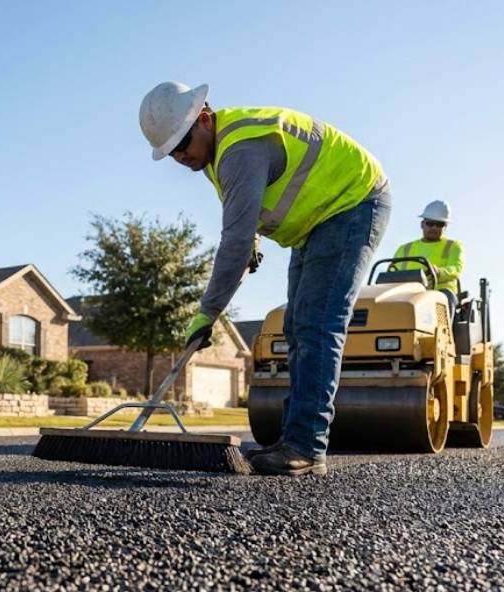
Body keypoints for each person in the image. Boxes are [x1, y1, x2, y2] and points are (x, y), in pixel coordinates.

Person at [139, 82, 390, 476]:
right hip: (315, 224)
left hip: (352, 203)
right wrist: (252, 237)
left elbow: (233, 243)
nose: (181, 156)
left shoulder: (239, 147)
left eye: (183, 143)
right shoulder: (214, 155)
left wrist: (207, 314)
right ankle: (294, 438)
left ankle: (306, 447)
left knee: (317, 323)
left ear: (204, 118)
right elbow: (246, 220)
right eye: (171, 152)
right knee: (296, 326)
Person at [390, 200, 464, 315]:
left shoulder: (453, 246)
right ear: (422, 224)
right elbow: (391, 272)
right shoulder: (405, 248)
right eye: (430, 223)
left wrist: (438, 272)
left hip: (440, 291)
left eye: (439, 224)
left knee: (445, 299)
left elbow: (456, 268)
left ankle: (443, 332)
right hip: (406, 293)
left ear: (446, 227)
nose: (434, 227)